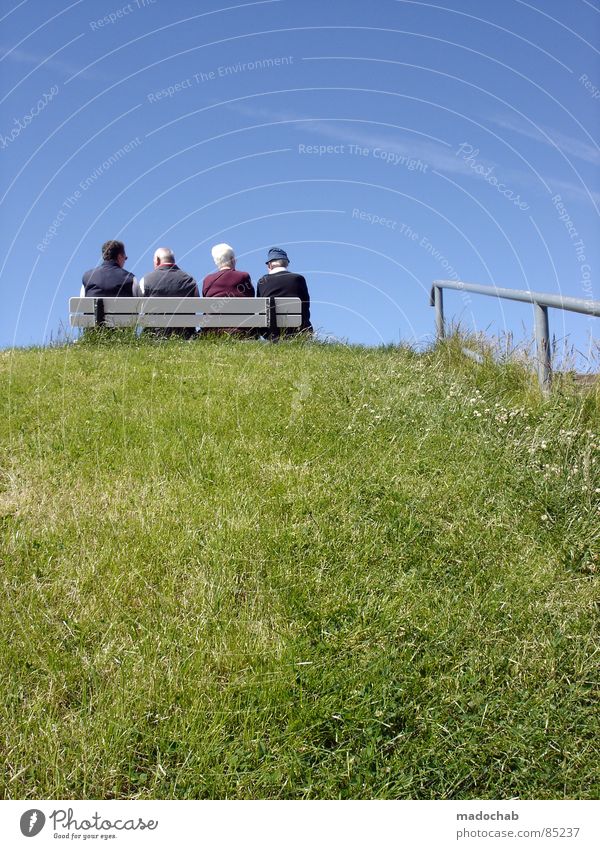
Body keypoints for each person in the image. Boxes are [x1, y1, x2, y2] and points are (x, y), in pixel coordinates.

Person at [137, 247, 199, 338]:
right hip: (185, 335)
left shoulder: (146, 280)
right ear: (173, 260)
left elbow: (139, 308)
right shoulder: (190, 280)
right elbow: (196, 306)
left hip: (154, 335)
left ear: (157, 260)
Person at [256, 247, 312, 339]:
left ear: (270, 265)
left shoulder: (262, 281)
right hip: (296, 330)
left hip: (269, 331)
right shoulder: (298, 279)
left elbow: (260, 308)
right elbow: (306, 307)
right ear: (286, 264)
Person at [202, 243, 255, 335]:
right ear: (232, 260)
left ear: (216, 262)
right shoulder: (243, 276)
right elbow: (251, 298)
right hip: (242, 331)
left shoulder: (207, 280)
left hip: (213, 331)